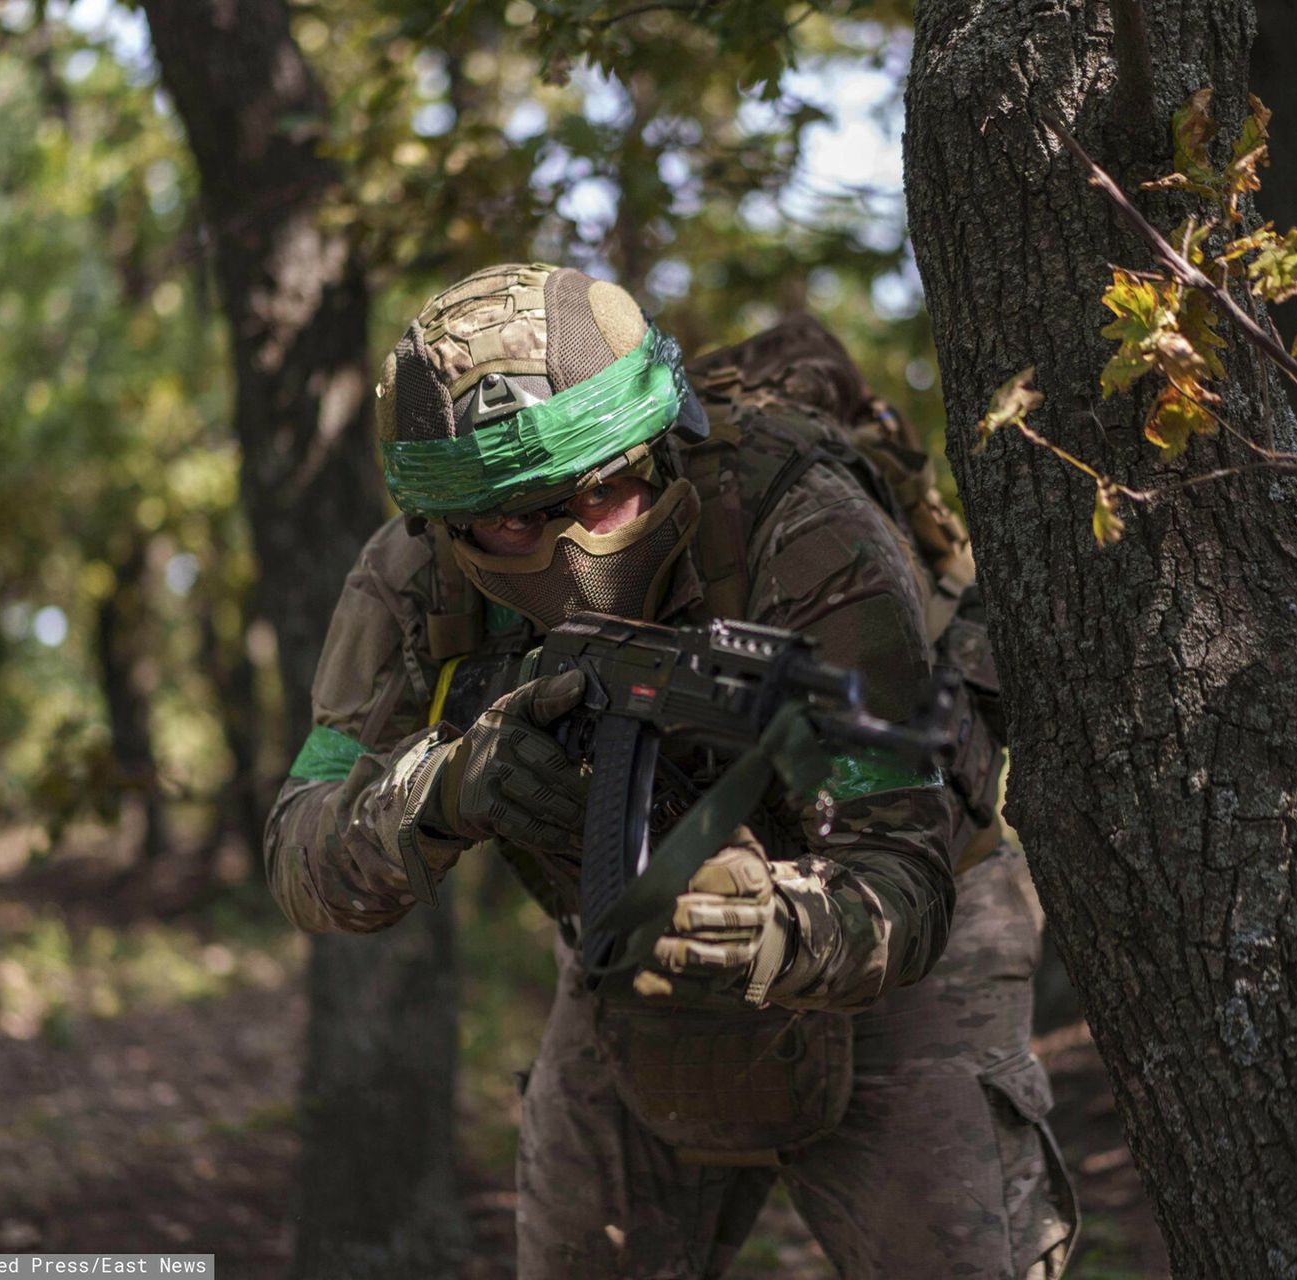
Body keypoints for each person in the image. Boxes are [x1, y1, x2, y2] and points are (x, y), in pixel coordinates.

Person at [264, 262, 1076, 1278]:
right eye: (520, 518)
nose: (568, 543)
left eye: (602, 493)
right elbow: (300, 844)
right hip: (625, 950)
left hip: (907, 969)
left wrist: (768, 924)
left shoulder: (801, 524)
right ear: (451, 518)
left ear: (656, 445)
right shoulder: (410, 579)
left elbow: (905, 881)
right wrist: (442, 791)